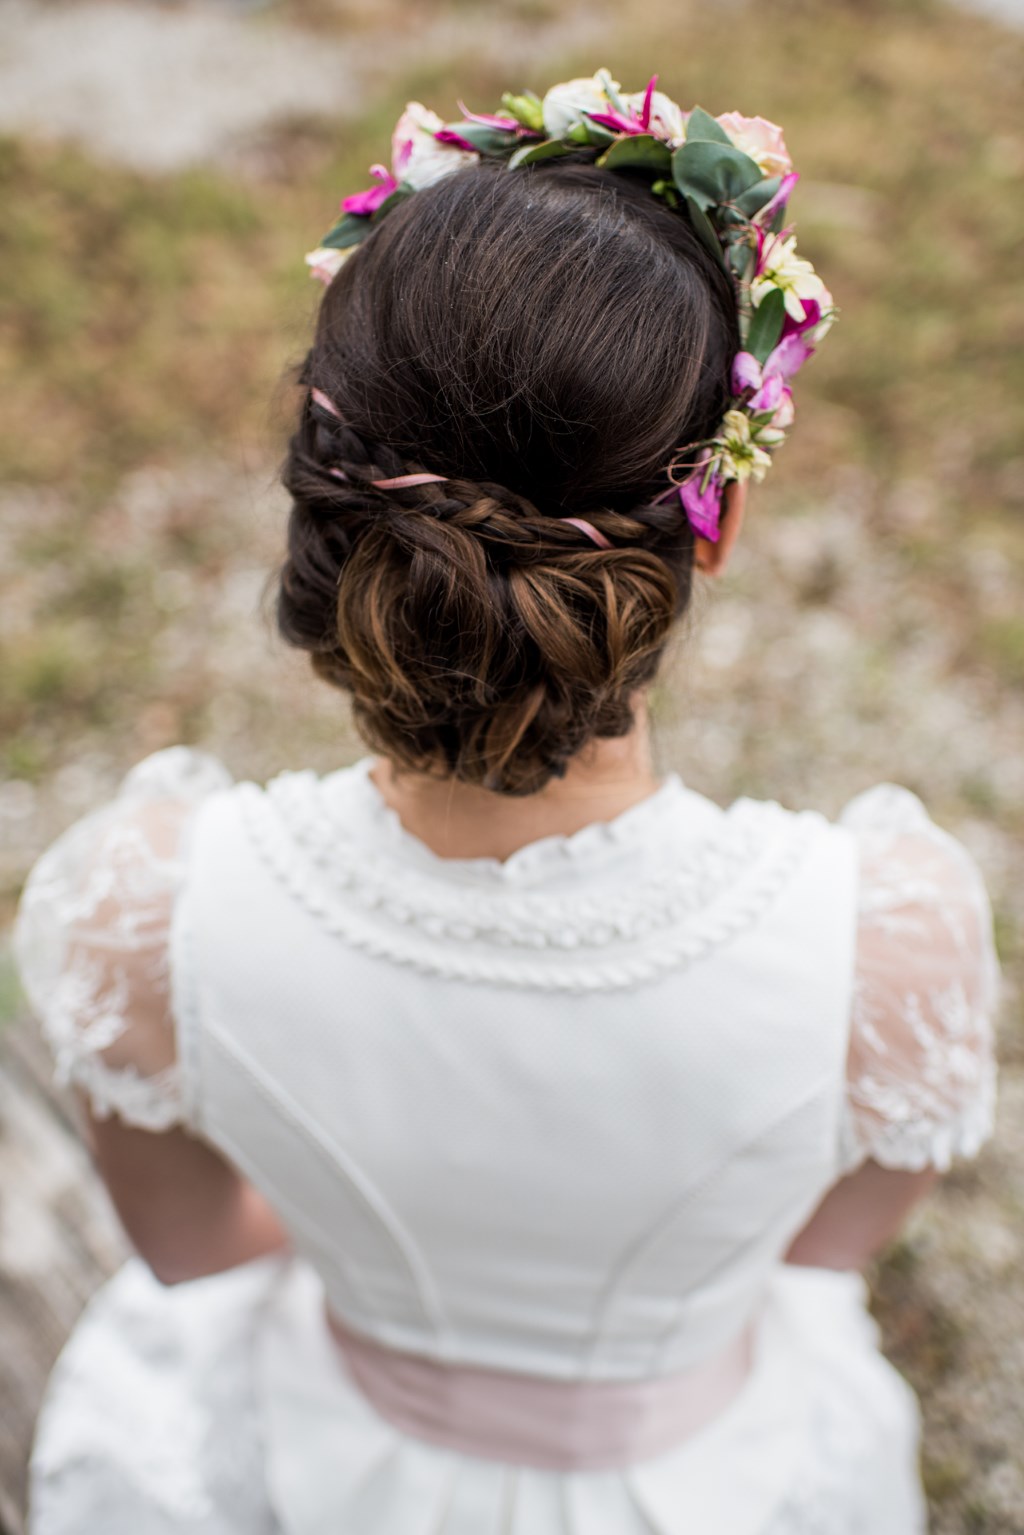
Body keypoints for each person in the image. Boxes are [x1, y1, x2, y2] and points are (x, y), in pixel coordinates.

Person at [13, 71, 999, 1535]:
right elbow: (811, 1255)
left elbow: (195, 1251)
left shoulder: (144, 917)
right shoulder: (884, 951)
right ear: (706, 540)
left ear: (326, 503)